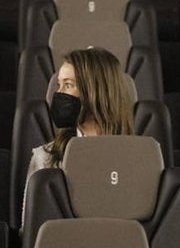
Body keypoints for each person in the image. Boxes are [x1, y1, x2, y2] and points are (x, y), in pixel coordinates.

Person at [26, 46, 135, 177]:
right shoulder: (45, 159)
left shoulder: (139, 156)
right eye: (59, 85)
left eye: (68, 85)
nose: (58, 93)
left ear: (95, 92)